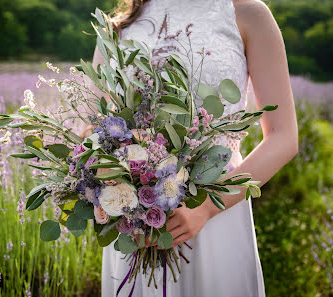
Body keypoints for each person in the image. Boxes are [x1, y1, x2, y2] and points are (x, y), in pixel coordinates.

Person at [83, 0, 298, 296]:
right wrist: (116, 183)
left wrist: (207, 208)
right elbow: (90, 128)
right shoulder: (118, 27)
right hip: (135, 225)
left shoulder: (248, 14)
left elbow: (283, 136)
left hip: (217, 215)